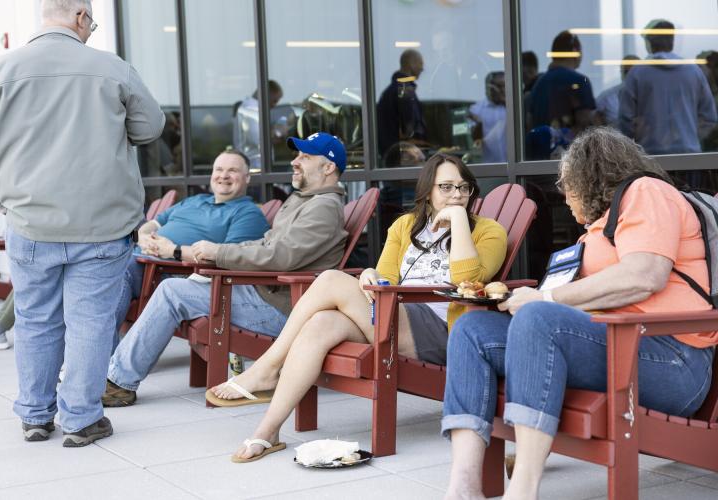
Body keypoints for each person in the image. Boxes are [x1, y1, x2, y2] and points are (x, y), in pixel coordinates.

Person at [441, 127, 717, 500]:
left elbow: (644, 276)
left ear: (589, 177)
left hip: (673, 360)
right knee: (473, 329)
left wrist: (545, 300)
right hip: (617, 347)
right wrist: (530, 297)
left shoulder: (647, 192)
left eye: (566, 185)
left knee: (539, 319)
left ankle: (522, 490)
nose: (565, 198)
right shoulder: (599, 230)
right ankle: (462, 489)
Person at [209, 153, 508, 463]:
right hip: (395, 314)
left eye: (464, 187)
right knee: (321, 323)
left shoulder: (489, 231)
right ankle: (268, 430)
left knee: (329, 280)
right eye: (446, 187)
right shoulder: (406, 226)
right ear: (428, 191)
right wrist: (370, 275)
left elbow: (467, 280)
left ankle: (267, 369)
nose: (456, 194)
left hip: (441, 330)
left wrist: (458, 220)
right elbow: (386, 277)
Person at [0, 0, 165, 447]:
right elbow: (150, 128)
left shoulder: (0, 71)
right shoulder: (112, 68)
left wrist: (6, 202)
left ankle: (36, 416)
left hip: (31, 222)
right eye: (91, 22)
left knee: (35, 319)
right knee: (91, 322)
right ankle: (80, 419)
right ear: (79, 17)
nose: (91, 31)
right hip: (102, 224)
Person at [102, 132, 349, 407]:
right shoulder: (304, 201)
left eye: (305, 157)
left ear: (328, 167)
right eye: (297, 155)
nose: (295, 162)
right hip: (261, 292)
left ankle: (118, 384)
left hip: (281, 307)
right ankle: (110, 371)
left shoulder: (323, 207)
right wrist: (214, 260)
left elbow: (281, 257)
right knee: (166, 284)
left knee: (172, 291)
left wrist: (218, 252)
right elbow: (267, 244)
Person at [113, 149, 269, 338]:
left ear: (247, 178)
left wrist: (171, 250)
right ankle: (90, 356)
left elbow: (229, 259)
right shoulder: (195, 200)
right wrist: (142, 238)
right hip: (143, 260)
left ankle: (96, 356)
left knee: (114, 273)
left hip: (175, 274)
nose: (224, 176)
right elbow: (152, 225)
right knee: (99, 271)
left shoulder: (247, 213)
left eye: (232, 171)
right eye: (219, 170)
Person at [619, 19, 717, 154]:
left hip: (650, 154)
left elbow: (626, 118)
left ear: (649, 43)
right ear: (672, 41)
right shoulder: (693, 72)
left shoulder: (637, 73)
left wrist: (640, 141)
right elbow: (709, 117)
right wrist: (689, 136)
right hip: (689, 153)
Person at [528, 31, 595, 135]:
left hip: (541, 149)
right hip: (571, 149)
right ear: (575, 52)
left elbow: (530, 122)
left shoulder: (538, 84)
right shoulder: (580, 81)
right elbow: (585, 126)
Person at [377, 49, 427, 157]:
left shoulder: (393, 91)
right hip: (404, 158)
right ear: (411, 63)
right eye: (420, 63)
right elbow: (410, 130)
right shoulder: (403, 92)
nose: (422, 68)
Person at [233, 80, 285, 170]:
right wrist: (277, 132)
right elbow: (259, 140)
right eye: (274, 100)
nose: (275, 105)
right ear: (267, 93)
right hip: (254, 168)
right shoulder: (250, 110)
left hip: (257, 168)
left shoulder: (254, 109)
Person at [469, 71, 507, 163]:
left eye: (505, 86)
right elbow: (474, 140)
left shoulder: (513, 106)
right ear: (490, 87)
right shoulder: (476, 109)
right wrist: (479, 123)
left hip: (512, 165)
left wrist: (505, 101)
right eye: (499, 86)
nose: (502, 90)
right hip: (488, 166)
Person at [594, 55, 639, 128]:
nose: (630, 75)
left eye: (634, 72)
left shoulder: (650, 97)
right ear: (621, 72)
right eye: (626, 72)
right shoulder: (607, 96)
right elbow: (592, 115)